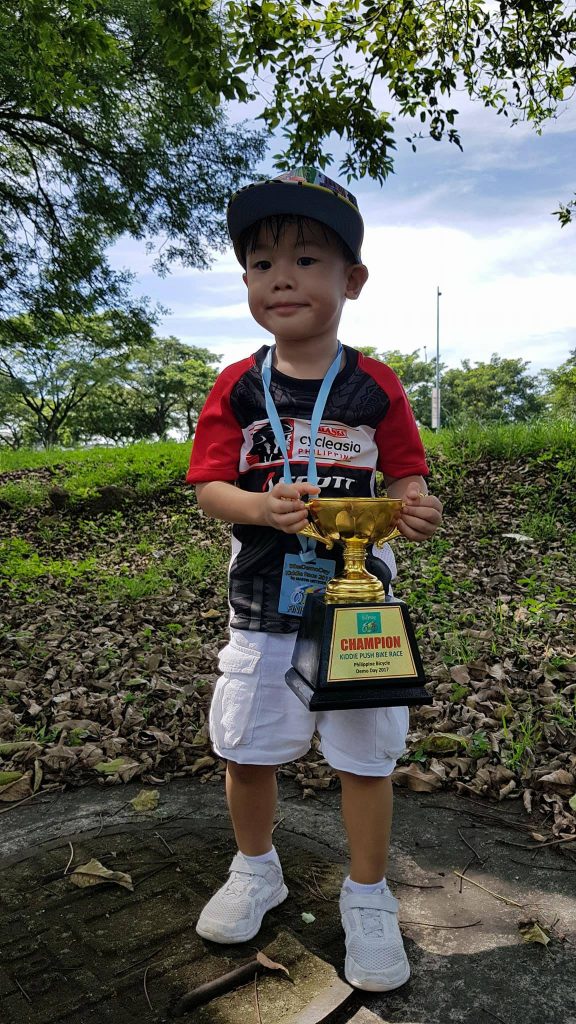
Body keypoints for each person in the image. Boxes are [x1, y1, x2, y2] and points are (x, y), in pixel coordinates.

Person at [186, 167, 443, 992]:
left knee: (367, 758)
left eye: (306, 258)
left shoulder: (376, 386)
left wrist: (413, 506)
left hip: (363, 610)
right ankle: (257, 868)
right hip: (263, 605)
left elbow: (406, 475)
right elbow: (207, 490)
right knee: (248, 747)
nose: (282, 277)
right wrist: (260, 508)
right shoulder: (238, 384)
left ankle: (368, 896)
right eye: (262, 264)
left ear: (352, 280)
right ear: (247, 284)